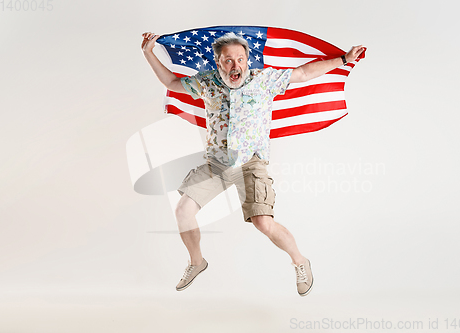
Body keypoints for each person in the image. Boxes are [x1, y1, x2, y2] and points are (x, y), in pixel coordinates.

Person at [141, 31, 365, 296]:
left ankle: (300, 261)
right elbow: (171, 80)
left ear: (248, 60)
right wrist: (148, 53)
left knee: (263, 223)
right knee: (183, 211)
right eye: (227, 60)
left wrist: (344, 58)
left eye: (240, 59)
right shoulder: (206, 83)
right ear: (218, 62)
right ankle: (196, 261)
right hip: (218, 164)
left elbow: (303, 73)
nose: (235, 66)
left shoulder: (264, 80)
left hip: (251, 163)